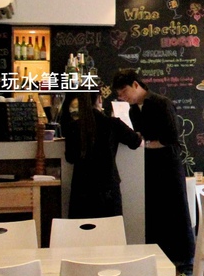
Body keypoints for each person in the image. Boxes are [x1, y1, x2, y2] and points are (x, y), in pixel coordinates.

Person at [111, 69, 195, 276]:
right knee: (156, 217)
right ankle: (164, 266)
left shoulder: (161, 103)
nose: (122, 96)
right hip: (149, 167)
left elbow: (170, 139)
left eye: (124, 91)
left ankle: (187, 267)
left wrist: (144, 144)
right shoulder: (133, 109)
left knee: (178, 215)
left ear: (136, 85)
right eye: (119, 94)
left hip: (169, 166)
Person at [59, 91, 142, 219]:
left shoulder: (73, 127)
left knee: (81, 230)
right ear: (99, 99)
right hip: (108, 189)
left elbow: (70, 158)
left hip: (82, 190)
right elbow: (136, 142)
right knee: (111, 229)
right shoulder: (112, 124)